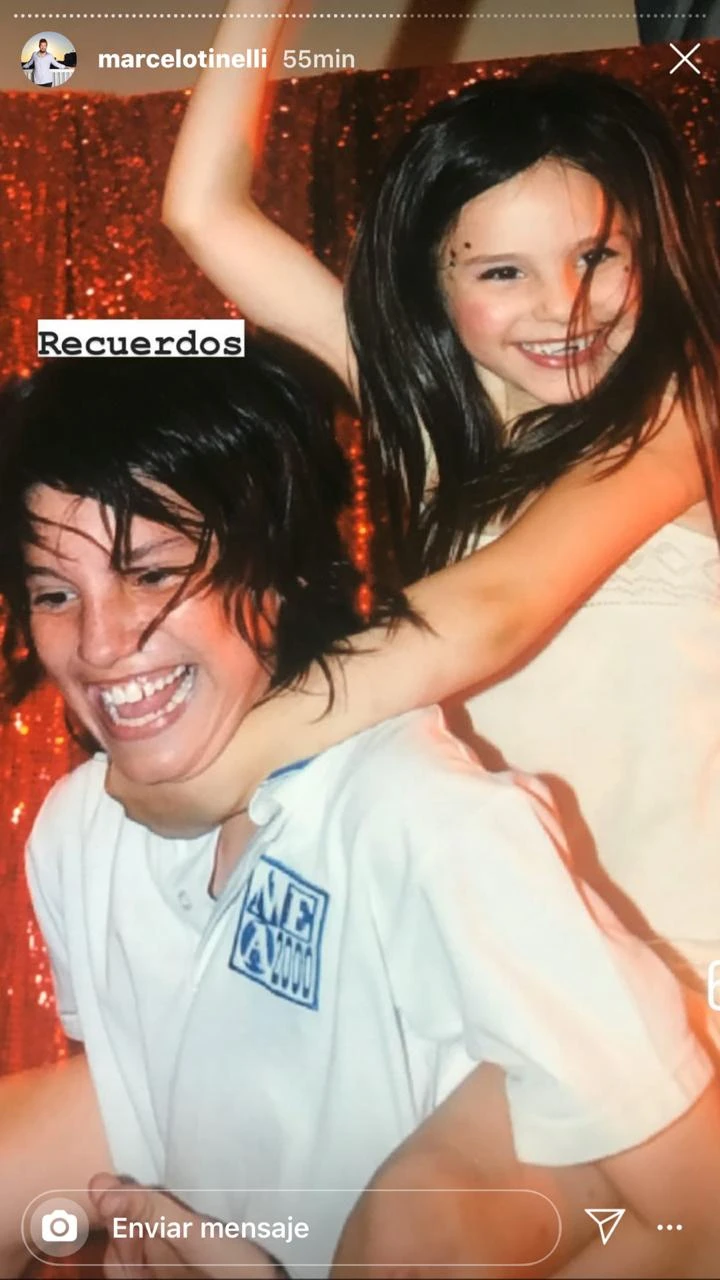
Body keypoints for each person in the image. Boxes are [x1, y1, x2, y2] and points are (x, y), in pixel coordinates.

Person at [2, 348, 720, 1279]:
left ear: (278, 570)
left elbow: (699, 1219)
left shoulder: (424, 818)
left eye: (152, 575)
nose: (101, 645)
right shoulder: (76, 833)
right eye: (56, 594)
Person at [120, 3, 720, 997]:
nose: (563, 305)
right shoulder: (433, 430)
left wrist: (224, 761)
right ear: (434, 286)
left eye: (597, 255)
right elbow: (204, 210)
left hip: (693, 980)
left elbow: (498, 605)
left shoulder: (683, 409)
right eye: (502, 271)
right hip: (521, 980)